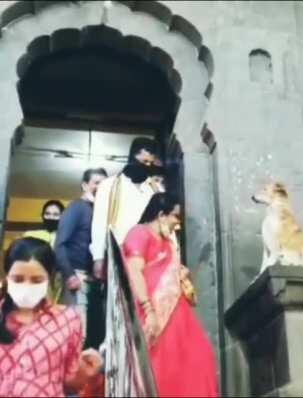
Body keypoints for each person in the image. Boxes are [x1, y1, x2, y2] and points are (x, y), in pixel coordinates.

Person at [122, 193, 218, 397]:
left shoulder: (168, 244)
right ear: (160, 214)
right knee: (162, 369)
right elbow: (133, 271)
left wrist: (179, 273)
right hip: (153, 313)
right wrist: (149, 310)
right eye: (176, 217)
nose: (178, 224)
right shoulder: (138, 233)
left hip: (179, 316)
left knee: (201, 359)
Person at [0, 237, 103, 397]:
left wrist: (86, 370)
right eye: (18, 279)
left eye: (36, 280)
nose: (27, 286)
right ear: (6, 277)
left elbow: (70, 383)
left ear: (49, 280)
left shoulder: (67, 319)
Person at [90, 137, 161, 280]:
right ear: (132, 158)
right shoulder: (108, 186)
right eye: (144, 162)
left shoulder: (155, 189)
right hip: (119, 254)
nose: (147, 166)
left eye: (151, 163)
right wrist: (98, 258)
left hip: (150, 257)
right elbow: (99, 222)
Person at [54, 168, 107, 342]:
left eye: (104, 183)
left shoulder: (100, 211)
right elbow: (59, 244)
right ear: (85, 185)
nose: (101, 187)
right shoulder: (77, 207)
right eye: (96, 183)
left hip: (94, 281)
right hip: (77, 277)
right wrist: (69, 275)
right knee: (77, 333)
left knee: (91, 335)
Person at [24, 200, 65, 303]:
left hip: (59, 280)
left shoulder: (65, 238)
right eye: (47, 214)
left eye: (56, 214)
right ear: (42, 215)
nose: (51, 217)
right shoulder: (30, 235)